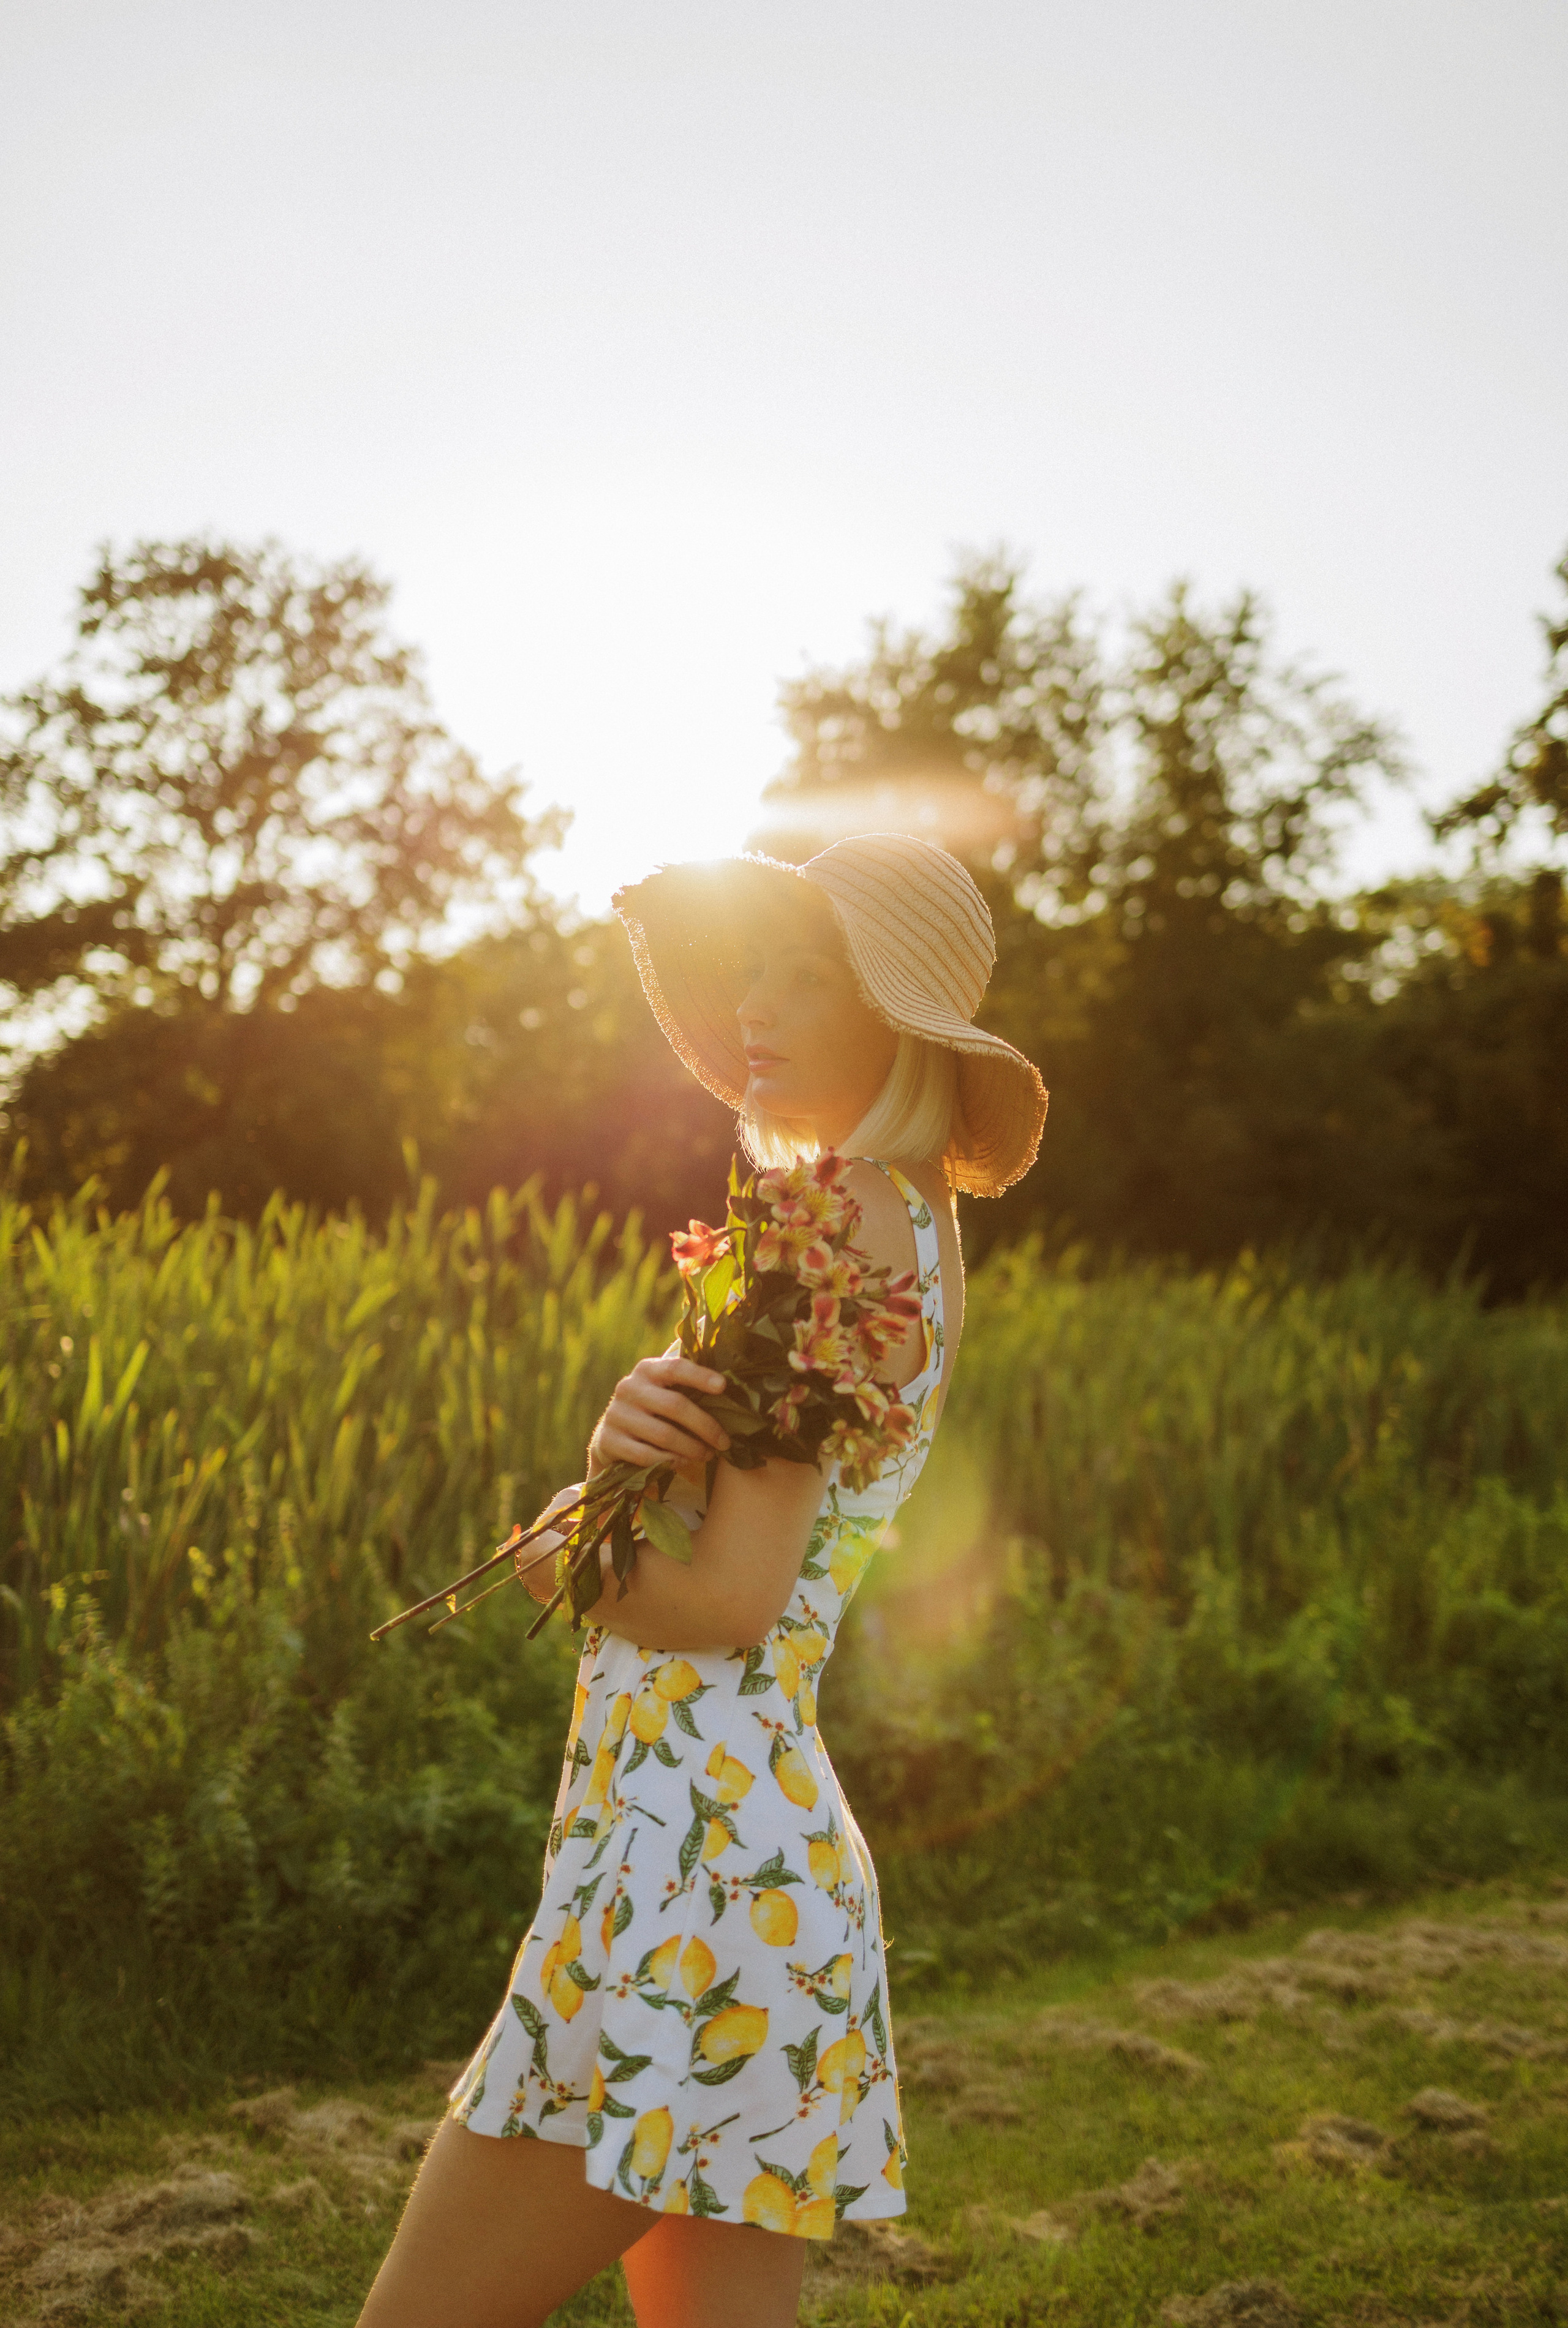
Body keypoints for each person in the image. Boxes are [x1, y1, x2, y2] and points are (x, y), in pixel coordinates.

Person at [357, 834, 1046, 2328]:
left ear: (895, 1022)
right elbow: (727, 1527)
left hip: (691, 1867)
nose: (757, 1004)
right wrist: (622, 1440)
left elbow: (726, 1602)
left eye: (813, 975)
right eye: (755, 965)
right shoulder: (900, 1219)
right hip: (723, 1858)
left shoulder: (832, 1220)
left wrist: (554, 1546)